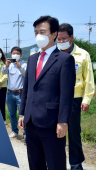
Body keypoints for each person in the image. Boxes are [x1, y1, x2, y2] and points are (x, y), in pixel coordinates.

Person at [18, 16, 76, 170]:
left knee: (55, 163)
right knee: (35, 163)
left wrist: (63, 122)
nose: (39, 36)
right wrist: (22, 113)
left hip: (51, 123)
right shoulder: (32, 59)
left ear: (54, 34)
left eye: (42, 32)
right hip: (30, 122)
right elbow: (27, 88)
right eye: (36, 32)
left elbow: (66, 94)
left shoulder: (65, 60)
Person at [57, 23, 95, 170]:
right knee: (56, 134)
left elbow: (89, 80)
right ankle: (58, 164)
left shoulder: (83, 55)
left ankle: (76, 165)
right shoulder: (54, 54)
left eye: (64, 38)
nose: (61, 42)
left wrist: (86, 99)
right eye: (58, 39)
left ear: (71, 37)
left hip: (74, 100)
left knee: (73, 134)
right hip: (56, 100)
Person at [2, 46, 27, 138]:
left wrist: (20, 68)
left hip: (20, 94)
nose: (15, 55)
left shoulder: (24, 65)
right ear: (11, 54)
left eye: (17, 53)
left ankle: (25, 133)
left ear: (20, 55)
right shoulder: (10, 66)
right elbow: (3, 72)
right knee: (12, 114)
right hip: (10, 93)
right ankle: (14, 131)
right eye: (13, 53)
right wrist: (6, 65)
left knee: (23, 114)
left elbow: (27, 75)